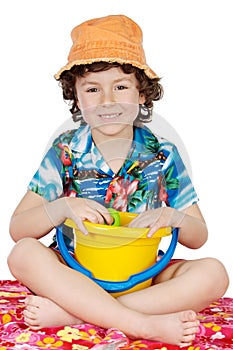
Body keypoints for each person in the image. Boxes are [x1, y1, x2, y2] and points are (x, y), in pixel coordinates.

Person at [7, 14, 229, 347]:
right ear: (77, 99)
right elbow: (18, 229)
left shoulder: (162, 153)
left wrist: (174, 216)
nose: (107, 100)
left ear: (142, 94)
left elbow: (199, 236)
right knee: (23, 252)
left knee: (214, 273)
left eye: (121, 87)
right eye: (93, 89)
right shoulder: (66, 149)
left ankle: (78, 314)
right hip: (74, 271)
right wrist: (62, 207)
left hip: (142, 275)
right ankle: (141, 323)